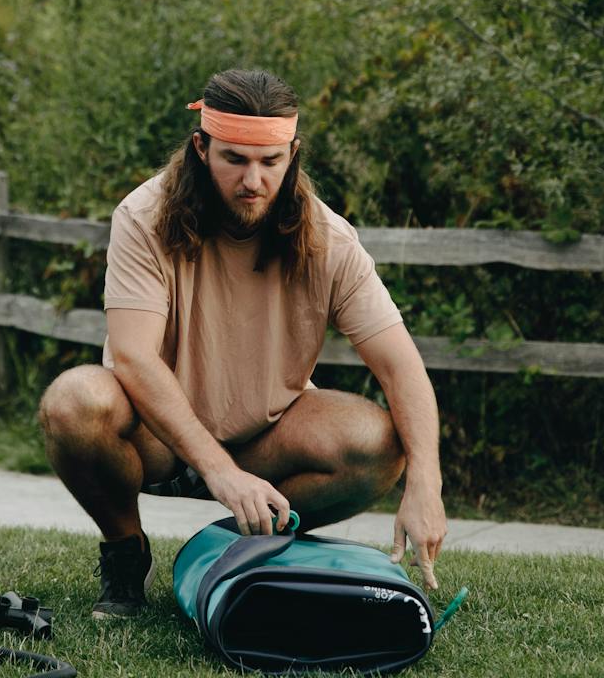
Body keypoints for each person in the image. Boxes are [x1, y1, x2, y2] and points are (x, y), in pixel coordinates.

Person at [36, 68, 448, 619]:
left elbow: (401, 367)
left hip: (266, 435)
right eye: (235, 159)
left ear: (292, 153)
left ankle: (231, 547)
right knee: (73, 401)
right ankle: (125, 551)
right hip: (154, 434)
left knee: (378, 441)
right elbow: (132, 357)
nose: (253, 179)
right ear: (201, 148)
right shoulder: (142, 216)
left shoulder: (330, 240)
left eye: (270, 162)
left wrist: (426, 481)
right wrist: (219, 472)